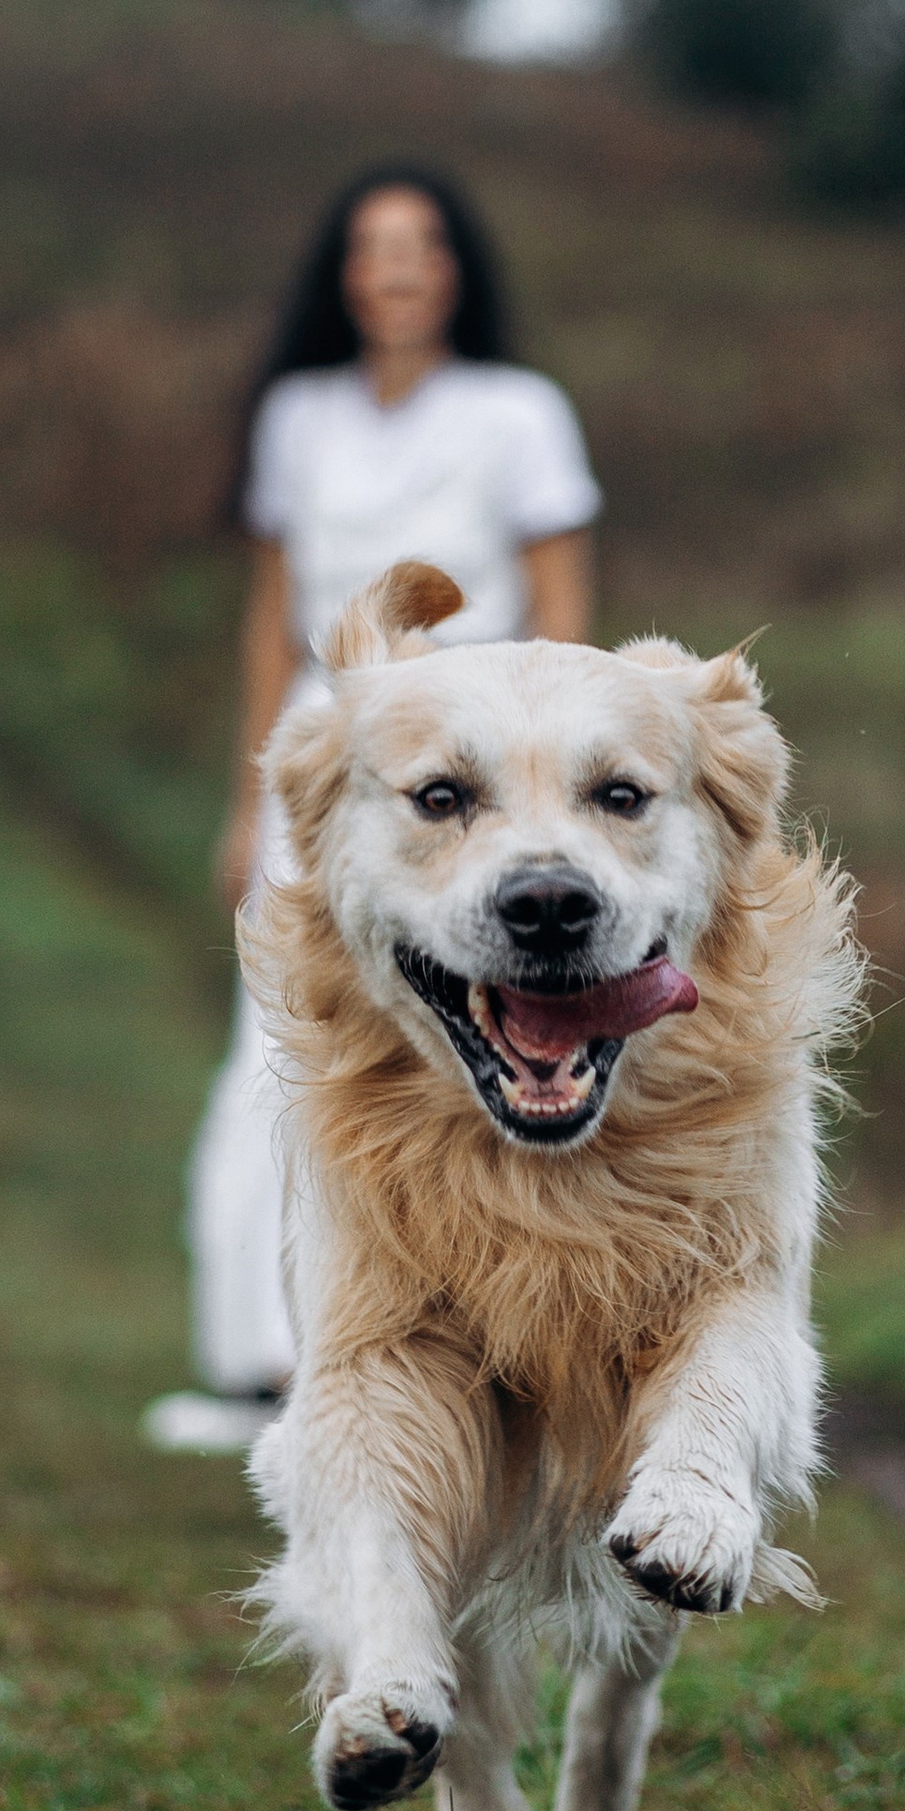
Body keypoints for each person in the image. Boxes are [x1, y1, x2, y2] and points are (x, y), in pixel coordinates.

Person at [144, 167, 598, 1452]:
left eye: (421, 246)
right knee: (282, 1036)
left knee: (481, 1033)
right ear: (343, 276)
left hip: (481, 753)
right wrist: (251, 802)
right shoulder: (296, 416)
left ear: (457, 269)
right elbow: (266, 617)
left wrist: (555, 782)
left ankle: (482, 1355)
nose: (396, 269)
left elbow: (566, 610)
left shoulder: (519, 414)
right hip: (330, 751)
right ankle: (265, 1363)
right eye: (371, 248)